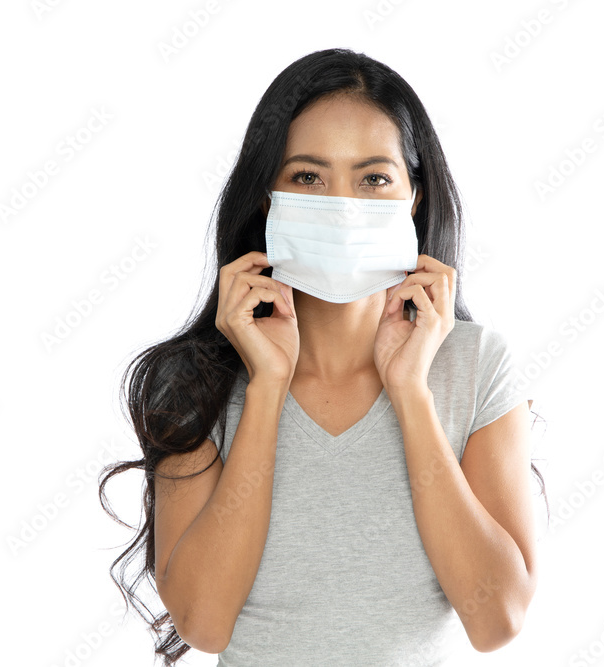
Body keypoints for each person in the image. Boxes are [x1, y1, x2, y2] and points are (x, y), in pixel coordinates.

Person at [99, 47, 549, 666]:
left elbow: (496, 619)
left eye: (374, 178)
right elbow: (203, 623)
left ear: (413, 195)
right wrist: (266, 385)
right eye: (308, 177)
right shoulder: (194, 379)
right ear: (267, 197)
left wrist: (411, 392)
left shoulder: (475, 367)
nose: (344, 205)